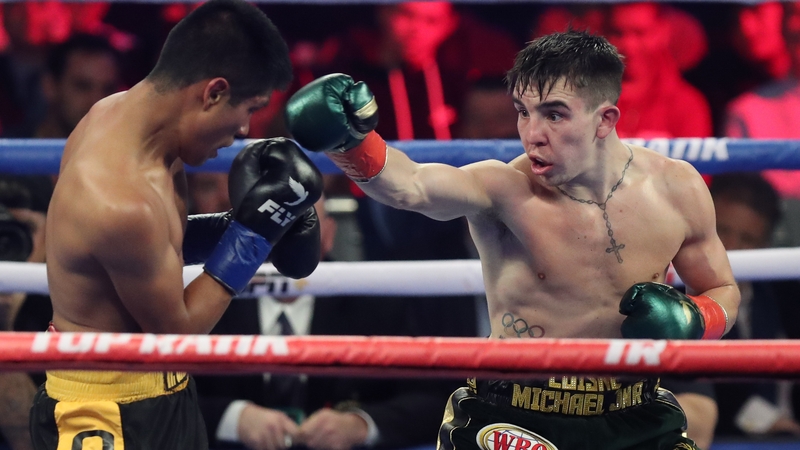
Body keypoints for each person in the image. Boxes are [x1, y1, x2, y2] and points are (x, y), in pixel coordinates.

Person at [284, 30, 740, 450]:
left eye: (554, 114)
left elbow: (723, 289)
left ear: (605, 119)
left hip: (635, 410)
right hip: (515, 412)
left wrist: (695, 318)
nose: (531, 134)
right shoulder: (503, 189)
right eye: (524, 112)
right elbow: (412, 186)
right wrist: (349, 141)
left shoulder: (676, 188)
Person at [29, 1, 323, 449]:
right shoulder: (118, 201)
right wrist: (252, 235)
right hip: (105, 412)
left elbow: (164, 246)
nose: (245, 129)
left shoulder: (133, 127)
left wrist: (237, 226)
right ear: (213, 93)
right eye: (249, 108)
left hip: (164, 390)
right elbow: (178, 332)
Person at [194, 196, 467, 450]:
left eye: (303, 222)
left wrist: (360, 424)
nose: (287, 236)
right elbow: (164, 393)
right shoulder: (207, 304)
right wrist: (232, 418)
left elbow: (431, 399)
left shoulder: (375, 305)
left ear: (330, 233)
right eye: (275, 219)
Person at [708, 173, 800, 438]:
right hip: (722, 437)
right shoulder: (675, 294)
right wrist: (762, 420)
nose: (731, 249)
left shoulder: (785, 292)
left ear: (765, 245)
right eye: (722, 231)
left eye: (747, 239)